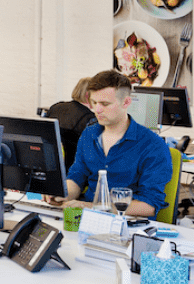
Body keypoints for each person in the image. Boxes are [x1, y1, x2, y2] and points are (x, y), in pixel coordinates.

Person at [52, 69, 172, 217]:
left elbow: (149, 206)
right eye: (94, 102)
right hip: (86, 218)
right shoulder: (89, 134)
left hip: (125, 222)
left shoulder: (153, 145)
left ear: (126, 102)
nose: (97, 110)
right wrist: (63, 194)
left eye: (105, 104)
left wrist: (93, 207)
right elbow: (77, 176)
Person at [46, 77, 97, 169]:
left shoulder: (56, 107)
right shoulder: (90, 118)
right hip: (76, 171)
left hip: (50, 166)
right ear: (88, 95)